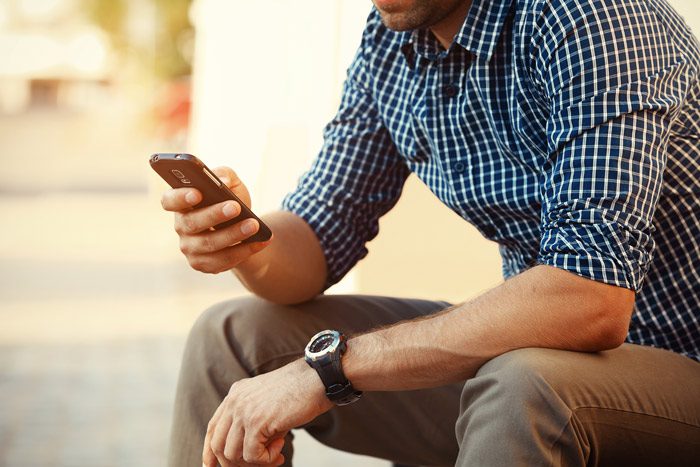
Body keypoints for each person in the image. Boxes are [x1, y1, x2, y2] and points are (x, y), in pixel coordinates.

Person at [163, 0, 700, 466]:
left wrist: (329, 368)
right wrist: (246, 243)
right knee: (231, 338)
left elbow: (590, 299)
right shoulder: (391, 37)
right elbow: (319, 234)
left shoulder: (590, 17)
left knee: (523, 384)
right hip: (541, 364)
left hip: (677, 373)